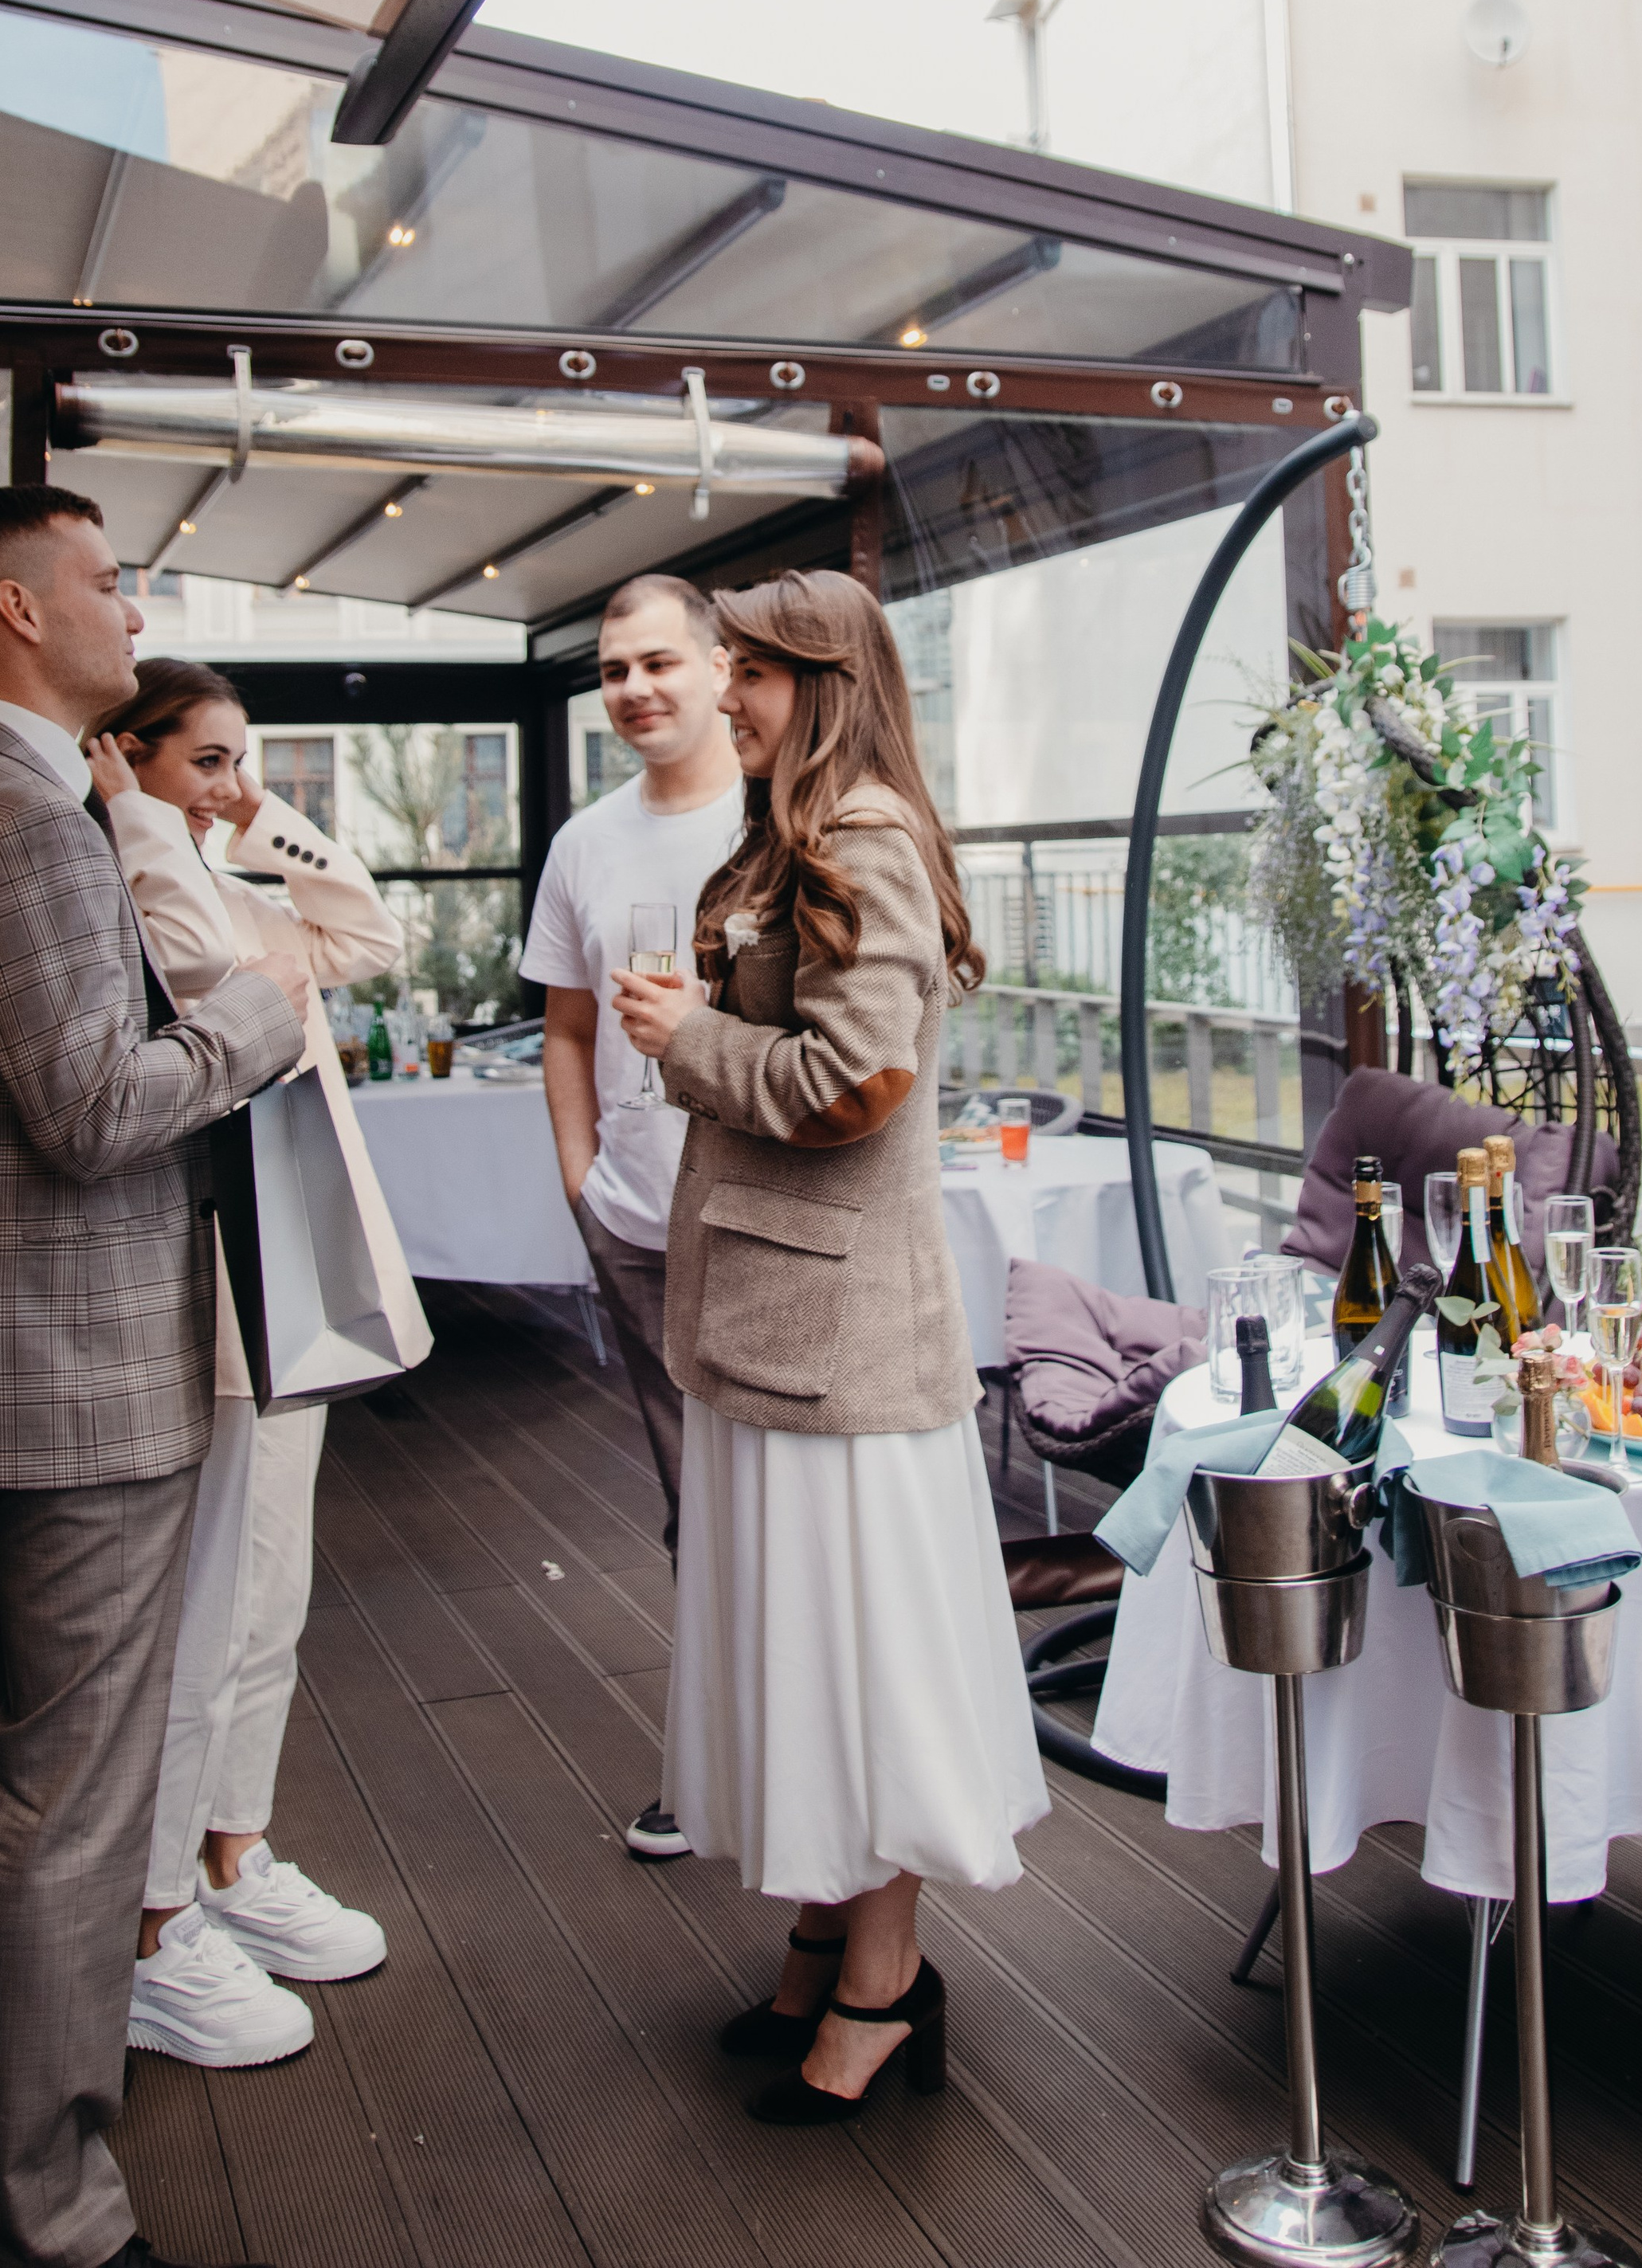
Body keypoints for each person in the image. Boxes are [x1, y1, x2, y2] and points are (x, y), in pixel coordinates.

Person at [0, 485, 307, 2268]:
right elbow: (99, 1110)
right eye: (111, 579)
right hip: (77, 1379)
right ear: (16, 611)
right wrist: (257, 1009)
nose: (135, 603)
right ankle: (53, 2216)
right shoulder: (22, 824)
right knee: (70, 1803)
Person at [611, 568, 1048, 2124]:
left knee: (853, 1671)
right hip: (776, 1326)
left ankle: (883, 1983)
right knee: (800, 1657)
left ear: (828, 680)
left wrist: (684, 1039)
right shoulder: (795, 833)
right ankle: (823, 1930)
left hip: (838, 1345)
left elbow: (853, 1082)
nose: (724, 693)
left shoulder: (859, 838)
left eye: (751, 671)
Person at [84, 660, 427, 2067]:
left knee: (270, 1593)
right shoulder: (130, 881)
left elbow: (372, 935)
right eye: (205, 759)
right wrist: (146, 821)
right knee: (213, 1607)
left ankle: (233, 1854)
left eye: (244, 760)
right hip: (212, 1285)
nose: (232, 785)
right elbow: (216, 986)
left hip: (298, 1279)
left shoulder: (228, 873)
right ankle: (152, 1923)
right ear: (126, 760)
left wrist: (252, 815)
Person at [522, 572, 741, 1861]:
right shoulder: (586, 842)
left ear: (722, 667)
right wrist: (579, 1176)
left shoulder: (780, 821)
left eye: (661, 662)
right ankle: (707, 1764)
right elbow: (567, 1026)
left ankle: (790, 1762)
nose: (636, 690)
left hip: (767, 1232)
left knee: (777, 1505)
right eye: (615, 672)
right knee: (687, 1502)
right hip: (638, 1224)